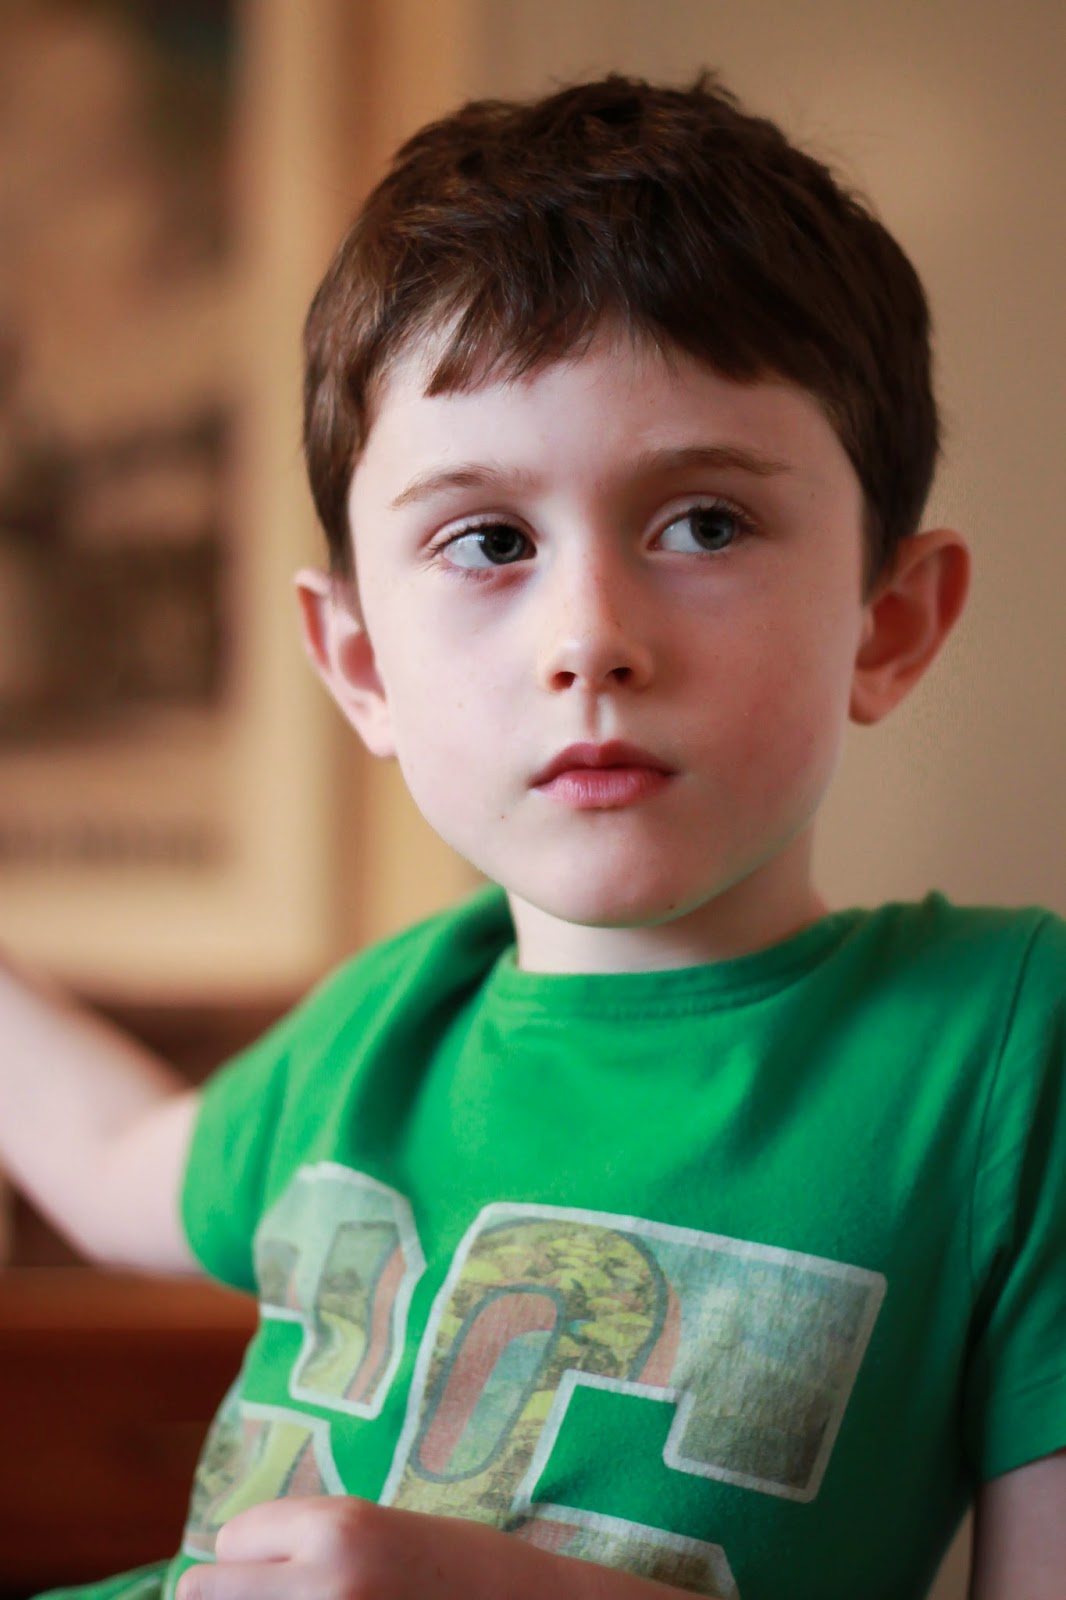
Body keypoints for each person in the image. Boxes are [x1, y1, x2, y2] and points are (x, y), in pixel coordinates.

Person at [2, 72, 1063, 1600]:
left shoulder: (999, 1053)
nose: (588, 638)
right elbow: (110, 1160)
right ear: (360, 665)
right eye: (487, 540)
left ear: (884, 624)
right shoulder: (382, 1026)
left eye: (702, 523)